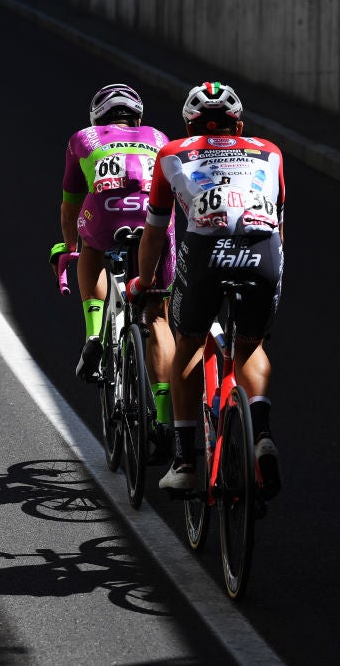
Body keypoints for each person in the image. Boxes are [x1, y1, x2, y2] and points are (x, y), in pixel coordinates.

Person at [128, 82, 284, 498]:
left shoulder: (172, 152)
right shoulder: (270, 150)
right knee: (250, 345)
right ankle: (261, 431)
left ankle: (183, 463)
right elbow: (279, 224)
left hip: (206, 256)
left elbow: (155, 234)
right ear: (240, 124)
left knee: (190, 343)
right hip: (263, 253)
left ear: (189, 124)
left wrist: (145, 283)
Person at [50, 84, 177, 430]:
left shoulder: (83, 138)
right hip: (153, 221)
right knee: (158, 317)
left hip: (106, 217)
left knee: (89, 247)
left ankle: (94, 334)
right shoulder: (157, 135)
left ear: (97, 118)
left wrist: (69, 244)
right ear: (137, 117)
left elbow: (69, 204)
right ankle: (165, 419)